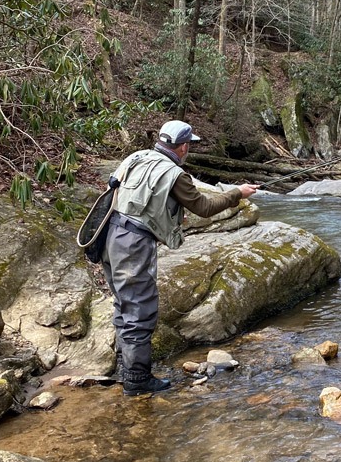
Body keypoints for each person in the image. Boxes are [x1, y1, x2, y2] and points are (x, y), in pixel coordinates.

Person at [102, 120, 258, 396]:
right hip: (134, 244)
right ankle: (137, 380)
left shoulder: (136, 157)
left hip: (109, 235)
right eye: (190, 146)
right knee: (140, 310)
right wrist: (237, 193)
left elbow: (118, 189)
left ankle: (127, 368)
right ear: (184, 146)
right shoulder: (175, 174)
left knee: (123, 304)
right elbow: (206, 207)